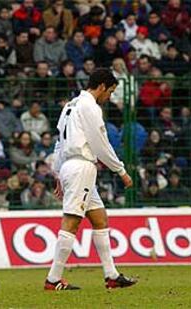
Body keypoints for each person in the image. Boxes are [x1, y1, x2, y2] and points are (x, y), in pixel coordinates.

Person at [45, 68, 137, 290]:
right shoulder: (90, 107)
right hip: (82, 167)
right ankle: (53, 279)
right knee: (72, 220)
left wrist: (58, 172)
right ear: (102, 86)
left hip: (70, 166)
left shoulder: (70, 105)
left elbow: (59, 142)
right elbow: (99, 143)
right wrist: (120, 170)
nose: (110, 97)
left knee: (99, 219)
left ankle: (111, 275)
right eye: (111, 91)